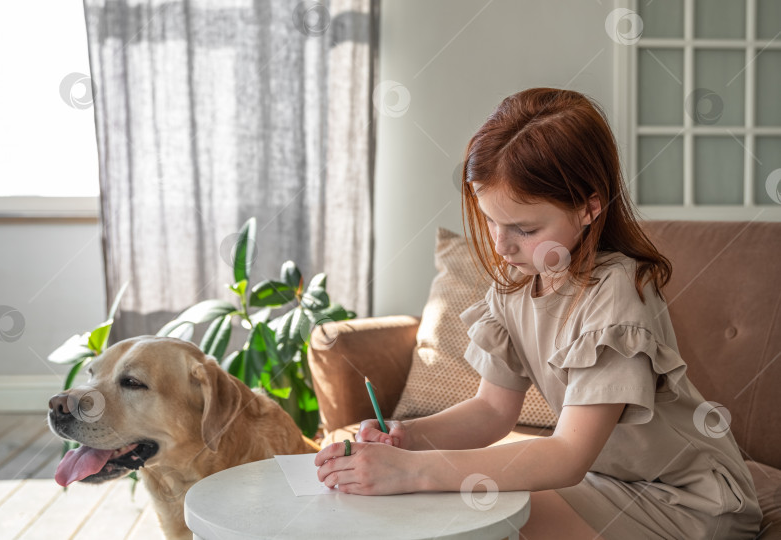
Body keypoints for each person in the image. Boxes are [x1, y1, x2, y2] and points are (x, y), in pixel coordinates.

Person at [314, 88, 762, 539]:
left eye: (525, 229)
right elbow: (492, 410)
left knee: (478, 518)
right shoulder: (516, 286)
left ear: (590, 207)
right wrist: (407, 437)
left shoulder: (619, 294)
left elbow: (568, 454)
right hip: (608, 481)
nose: (501, 246)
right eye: (491, 220)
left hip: (687, 498)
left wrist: (412, 472)